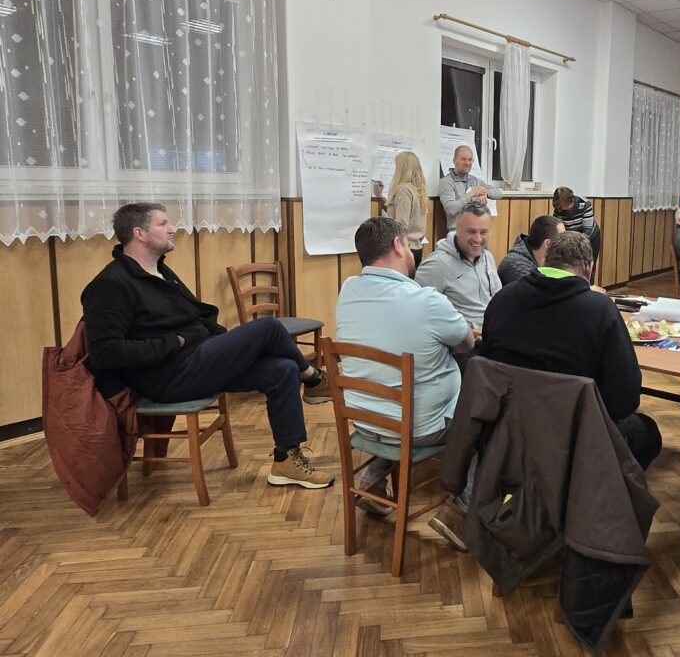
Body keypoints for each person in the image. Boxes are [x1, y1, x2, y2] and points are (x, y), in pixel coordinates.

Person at [81, 203, 335, 490]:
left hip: (198, 359)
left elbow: (196, 316)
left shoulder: (160, 271)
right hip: (167, 377)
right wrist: (172, 343)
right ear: (139, 233)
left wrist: (228, 345)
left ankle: (286, 461)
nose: (172, 229)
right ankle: (315, 380)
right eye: (163, 224)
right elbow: (104, 352)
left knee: (283, 369)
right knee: (269, 327)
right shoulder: (110, 285)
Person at [335, 216, 475, 531]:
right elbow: (466, 343)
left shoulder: (347, 289)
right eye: (410, 245)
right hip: (417, 429)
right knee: (482, 417)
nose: (413, 252)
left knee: (398, 397)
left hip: (365, 420)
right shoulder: (427, 301)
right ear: (398, 245)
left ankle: (372, 480)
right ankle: (461, 511)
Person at [478, 231, 662, 471]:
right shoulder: (600, 310)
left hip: (508, 425)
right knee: (648, 434)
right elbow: (624, 400)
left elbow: (488, 363)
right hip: (575, 433)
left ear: (545, 261)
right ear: (590, 268)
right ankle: (600, 488)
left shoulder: (503, 298)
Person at [415, 202, 502, 328]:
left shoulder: (487, 257)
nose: (477, 239)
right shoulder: (437, 264)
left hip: (495, 331)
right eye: (471, 232)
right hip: (464, 338)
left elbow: (499, 300)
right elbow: (417, 311)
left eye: (483, 232)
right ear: (457, 230)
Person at [437, 145, 502, 230]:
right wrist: (471, 194)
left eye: (470, 160)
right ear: (454, 161)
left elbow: (499, 193)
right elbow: (451, 210)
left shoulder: (475, 180)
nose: (467, 163)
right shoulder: (446, 182)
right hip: (457, 232)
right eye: (463, 159)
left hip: (477, 230)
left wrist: (485, 192)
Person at [384, 151, 429, 268]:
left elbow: (401, 224)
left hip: (404, 249)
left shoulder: (403, 190)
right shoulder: (417, 190)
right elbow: (408, 213)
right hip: (416, 247)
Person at [497, 215, 564, 285]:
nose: (565, 243)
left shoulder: (547, 260)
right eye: (562, 239)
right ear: (547, 243)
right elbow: (542, 290)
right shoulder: (517, 266)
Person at [552, 187, 602, 275]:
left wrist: (576, 245)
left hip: (590, 237)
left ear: (571, 200)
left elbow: (588, 229)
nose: (563, 208)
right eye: (561, 207)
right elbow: (558, 229)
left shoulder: (585, 204)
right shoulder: (559, 208)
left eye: (565, 205)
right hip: (570, 238)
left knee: (588, 266)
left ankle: (588, 283)